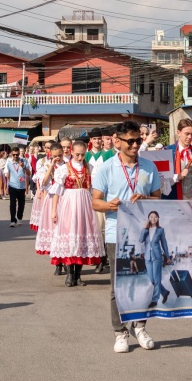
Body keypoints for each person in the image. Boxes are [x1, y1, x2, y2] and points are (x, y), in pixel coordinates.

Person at [92, 120, 163, 353]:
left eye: (138, 140)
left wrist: (145, 200)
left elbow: (159, 200)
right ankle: (120, 332)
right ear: (117, 140)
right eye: (130, 141)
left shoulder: (149, 168)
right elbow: (95, 202)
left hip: (144, 235)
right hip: (117, 234)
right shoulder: (105, 168)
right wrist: (110, 206)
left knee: (144, 282)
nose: (135, 145)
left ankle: (140, 326)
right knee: (118, 285)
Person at [50, 140, 105, 287]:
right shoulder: (64, 168)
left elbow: (94, 189)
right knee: (70, 237)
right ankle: (69, 274)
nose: (80, 158)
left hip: (85, 204)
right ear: (72, 153)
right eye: (77, 155)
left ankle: (78, 275)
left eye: (83, 155)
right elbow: (57, 191)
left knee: (82, 236)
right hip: (69, 203)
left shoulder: (90, 167)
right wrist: (54, 210)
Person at [163, 117, 192, 200]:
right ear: (178, 133)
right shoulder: (166, 152)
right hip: (173, 199)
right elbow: (161, 181)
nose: (190, 137)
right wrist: (177, 177)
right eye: (187, 133)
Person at [34, 142, 64, 258]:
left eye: (59, 155)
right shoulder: (47, 165)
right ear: (51, 155)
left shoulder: (67, 165)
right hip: (51, 199)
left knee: (63, 228)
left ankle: (63, 257)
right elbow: (44, 182)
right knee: (53, 228)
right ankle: (57, 262)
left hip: (64, 198)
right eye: (55, 156)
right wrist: (51, 166)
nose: (57, 158)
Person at [138, 211, 171, 308]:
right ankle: (164, 292)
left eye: (155, 217)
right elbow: (140, 240)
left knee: (157, 279)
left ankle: (155, 300)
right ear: (148, 218)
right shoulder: (146, 230)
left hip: (157, 257)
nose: (153, 218)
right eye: (151, 217)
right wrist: (144, 228)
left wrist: (167, 257)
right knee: (152, 279)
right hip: (147, 257)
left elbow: (164, 244)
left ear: (158, 218)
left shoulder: (160, 230)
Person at [6, 147, 30, 227]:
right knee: (12, 204)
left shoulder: (24, 161)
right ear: (11, 154)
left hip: (21, 186)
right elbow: (8, 174)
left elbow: (29, 173)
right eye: (14, 155)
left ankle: (19, 218)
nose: (15, 156)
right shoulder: (9, 163)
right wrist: (8, 185)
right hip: (12, 186)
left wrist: (23, 167)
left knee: (21, 204)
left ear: (19, 154)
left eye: (17, 154)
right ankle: (13, 220)